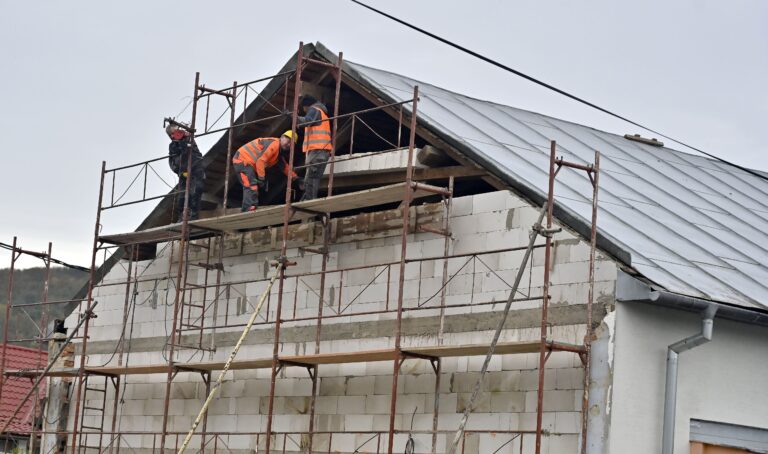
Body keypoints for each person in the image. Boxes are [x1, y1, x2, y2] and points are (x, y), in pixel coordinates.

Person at [232, 130, 299, 212]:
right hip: (242, 160)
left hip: (249, 162)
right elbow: (261, 161)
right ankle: (248, 208)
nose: (288, 145)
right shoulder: (274, 144)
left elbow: (284, 167)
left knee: (253, 185)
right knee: (250, 185)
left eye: (291, 144)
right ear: (282, 137)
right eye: (288, 141)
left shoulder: (278, 152)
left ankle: (251, 207)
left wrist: (295, 177)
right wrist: (261, 178)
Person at [296, 95, 332, 200]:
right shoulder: (322, 112)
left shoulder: (314, 109)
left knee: (311, 179)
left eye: (304, 108)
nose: (305, 111)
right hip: (322, 151)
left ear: (306, 106)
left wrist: (293, 117)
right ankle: (306, 200)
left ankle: (309, 201)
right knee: (312, 179)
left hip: (317, 150)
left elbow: (308, 120)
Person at [166, 123, 205, 221]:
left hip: (196, 170)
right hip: (183, 172)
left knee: (196, 190)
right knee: (182, 195)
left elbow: (196, 155)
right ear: (172, 135)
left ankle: (193, 215)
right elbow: (173, 163)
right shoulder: (173, 146)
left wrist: (186, 147)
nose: (179, 131)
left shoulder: (188, 139)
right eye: (176, 130)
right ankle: (182, 217)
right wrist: (181, 171)